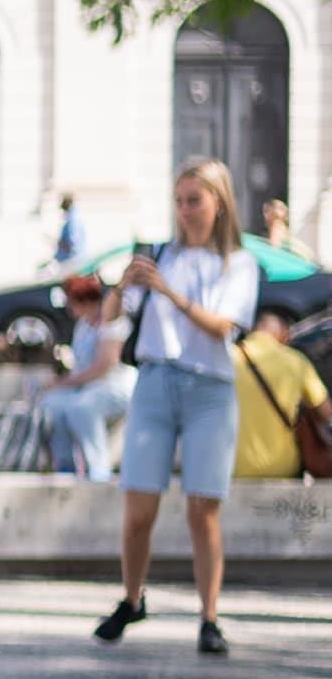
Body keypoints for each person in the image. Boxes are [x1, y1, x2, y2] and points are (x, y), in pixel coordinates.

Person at [96, 159, 262, 654]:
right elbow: (108, 322)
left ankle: (209, 617)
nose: (185, 211)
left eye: (195, 200)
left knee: (201, 509)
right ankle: (131, 599)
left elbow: (222, 328)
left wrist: (168, 291)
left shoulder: (239, 263)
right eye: (180, 201)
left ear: (219, 203)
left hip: (209, 388)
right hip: (154, 382)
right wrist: (123, 287)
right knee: (137, 509)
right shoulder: (159, 253)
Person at [35, 272, 129, 478]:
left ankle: (99, 469)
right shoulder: (83, 325)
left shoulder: (112, 321)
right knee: (52, 405)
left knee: (82, 408)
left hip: (114, 384)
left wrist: (63, 382)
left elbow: (104, 366)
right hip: (88, 384)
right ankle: (65, 466)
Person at [232, 311, 324, 481]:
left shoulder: (229, 357)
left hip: (232, 468)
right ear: (284, 334)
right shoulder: (295, 360)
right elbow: (325, 411)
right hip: (283, 469)